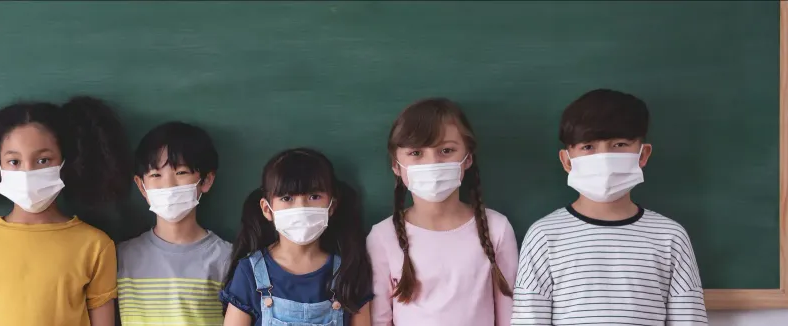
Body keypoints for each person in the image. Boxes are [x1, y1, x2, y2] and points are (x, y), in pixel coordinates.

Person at [511, 89, 708, 325]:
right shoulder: (544, 236)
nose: (604, 158)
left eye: (619, 144)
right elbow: (529, 320)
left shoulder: (670, 237)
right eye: (588, 147)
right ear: (566, 160)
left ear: (643, 155)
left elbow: (689, 319)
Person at [0, 96, 130, 326]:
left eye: (43, 160)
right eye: (14, 161)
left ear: (65, 161)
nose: (28, 171)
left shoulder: (95, 245)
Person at [366, 98, 518, 326]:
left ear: (468, 158)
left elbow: (510, 315)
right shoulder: (382, 237)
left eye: (446, 150)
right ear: (396, 165)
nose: (432, 163)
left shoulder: (497, 228)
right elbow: (379, 319)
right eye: (416, 153)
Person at [220, 148, 373, 326]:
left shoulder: (350, 270)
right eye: (287, 198)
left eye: (314, 196)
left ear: (331, 206)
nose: (301, 208)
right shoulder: (250, 271)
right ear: (267, 209)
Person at [116, 121, 232, 326]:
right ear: (142, 187)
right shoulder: (121, 256)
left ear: (206, 180)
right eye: (156, 175)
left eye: (181, 173)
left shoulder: (226, 258)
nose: (168, 185)